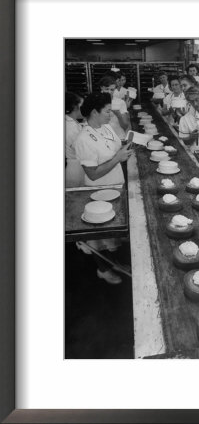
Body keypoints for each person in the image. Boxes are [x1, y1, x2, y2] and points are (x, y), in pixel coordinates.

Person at [74, 92, 133, 284]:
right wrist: (117, 158)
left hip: (116, 184)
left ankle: (114, 263)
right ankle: (103, 269)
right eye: (107, 111)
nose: (111, 114)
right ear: (94, 112)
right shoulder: (83, 139)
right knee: (100, 235)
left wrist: (131, 143)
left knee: (112, 235)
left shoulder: (107, 127)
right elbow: (92, 173)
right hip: (99, 190)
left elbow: (116, 147)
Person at [99, 75, 131, 140]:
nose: (109, 92)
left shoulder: (120, 102)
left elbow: (125, 126)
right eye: (106, 89)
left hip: (118, 137)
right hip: (102, 138)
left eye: (112, 90)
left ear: (115, 89)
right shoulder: (95, 101)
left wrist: (118, 114)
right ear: (101, 87)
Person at [65, 92, 85, 187]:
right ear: (75, 107)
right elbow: (82, 148)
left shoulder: (72, 122)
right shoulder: (71, 127)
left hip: (77, 165)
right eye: (82, 105)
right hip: (75, 168)